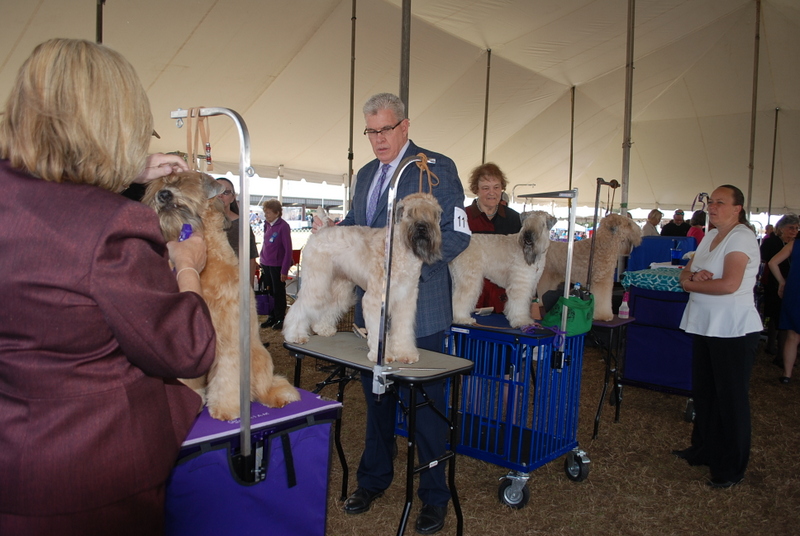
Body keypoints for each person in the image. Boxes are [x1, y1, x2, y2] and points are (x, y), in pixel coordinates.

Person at [0, 39, 216, 535]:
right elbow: (188, 349)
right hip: (92, 477)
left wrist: (125, 172)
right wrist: (185, 266)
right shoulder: (111, 225)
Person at [333, 93, 470, 535]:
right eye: (371, 131)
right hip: (371, 309)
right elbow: (357, 224)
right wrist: (329, 240)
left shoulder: (437, 169)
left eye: (385, 130)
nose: (378, 140)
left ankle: (434, 495)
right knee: (377, 400)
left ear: (405, 127)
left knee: (427, 411)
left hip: (421, 308)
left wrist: (413, 266)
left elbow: (458, 235)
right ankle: (373, 480)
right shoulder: (365, 174)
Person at [674, 185, 762, 489]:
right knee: (706, 394)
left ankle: (731, 467)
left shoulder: (741, 236)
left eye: (720, 203)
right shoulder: (711, 235)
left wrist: (690, 285)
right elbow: (685, 272)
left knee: (731, 400)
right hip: (706, 325)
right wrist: (692, 278)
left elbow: (729, 285)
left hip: (733, 330)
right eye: (711, 202)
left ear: (737, 208)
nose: (712, 207)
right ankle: (704, 450)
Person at [464, 162, 522, 313]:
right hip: (470, 296)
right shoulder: (463, 217)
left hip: (502, 299)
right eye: (485, 188)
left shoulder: (514, 219)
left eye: (496, 187)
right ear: (476, 190)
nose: (492, 193)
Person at [759, 214, 799, 358]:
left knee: (784, 317)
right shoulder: (772, 242)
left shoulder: (794, 244)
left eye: (796, 228)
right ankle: (773, 347)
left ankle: (782, 350)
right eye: (791, 228)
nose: (794, 230)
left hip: (791, 284)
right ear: (781, 228)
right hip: (773, 283)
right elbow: (764, 261)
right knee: (775, 316)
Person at [768, 238, 800, 383]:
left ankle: (787, 375)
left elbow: (772, 262)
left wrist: (782, 281)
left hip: (794, 291)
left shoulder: (795, 243)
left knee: (792, 336)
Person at [259, 199, 293, 330]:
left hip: (277, 265)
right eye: (265, 212)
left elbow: (288, 249)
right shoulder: (266, 224)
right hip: (266, 263)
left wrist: (284, 270)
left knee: (278, 292)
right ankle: (271, 316)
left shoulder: (283, 226)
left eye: (268, 212)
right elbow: (266, 244)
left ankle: (280, 318)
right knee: (270, 292)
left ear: (277, 213)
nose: (266, 215)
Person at [216, 177, 258, 283]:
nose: (220, 195)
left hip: (236, 284)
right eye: (216, 190)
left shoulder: (242, 224)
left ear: (232, 197)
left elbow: (251, 259)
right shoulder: (202, 223)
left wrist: (249, 289)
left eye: (225, 192)